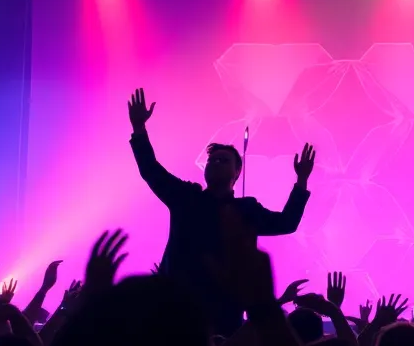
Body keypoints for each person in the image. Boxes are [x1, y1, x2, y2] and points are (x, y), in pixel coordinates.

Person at [127, 87, 316, 333]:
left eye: (223, 160)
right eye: (212, 160)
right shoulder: (187, 197)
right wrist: (139, 129)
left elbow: (287, 223)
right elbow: (151, 170)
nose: (215, 163)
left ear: (237, 173)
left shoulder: (247, 209)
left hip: (224, 313)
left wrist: (301, 181)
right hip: (177, 308)